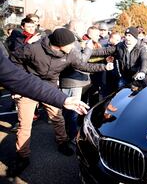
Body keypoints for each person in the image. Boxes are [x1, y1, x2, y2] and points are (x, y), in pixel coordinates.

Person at [8, 28, 112, 177]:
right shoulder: (33, 48)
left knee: (58, 118)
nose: (73, 46)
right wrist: (18, 85)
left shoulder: (69, 54)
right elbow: (13, 60)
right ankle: (22, 157)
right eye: (70, 43)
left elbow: (83, 65)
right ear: (59, 44)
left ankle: (62, 143)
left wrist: (103, 67)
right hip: (29, 86)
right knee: (25, 124)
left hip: (49, 89)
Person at [91, 26, 147, 90]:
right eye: (126, 35)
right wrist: (90, 51)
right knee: (119, 94)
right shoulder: (120, 46)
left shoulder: (141, 48)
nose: (127, 37)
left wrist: (142, 71)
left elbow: (144, 60)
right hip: (125, 77)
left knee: (143, 94)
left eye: (129, 35)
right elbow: (105, 51)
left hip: (139, 77)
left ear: (135, 37)